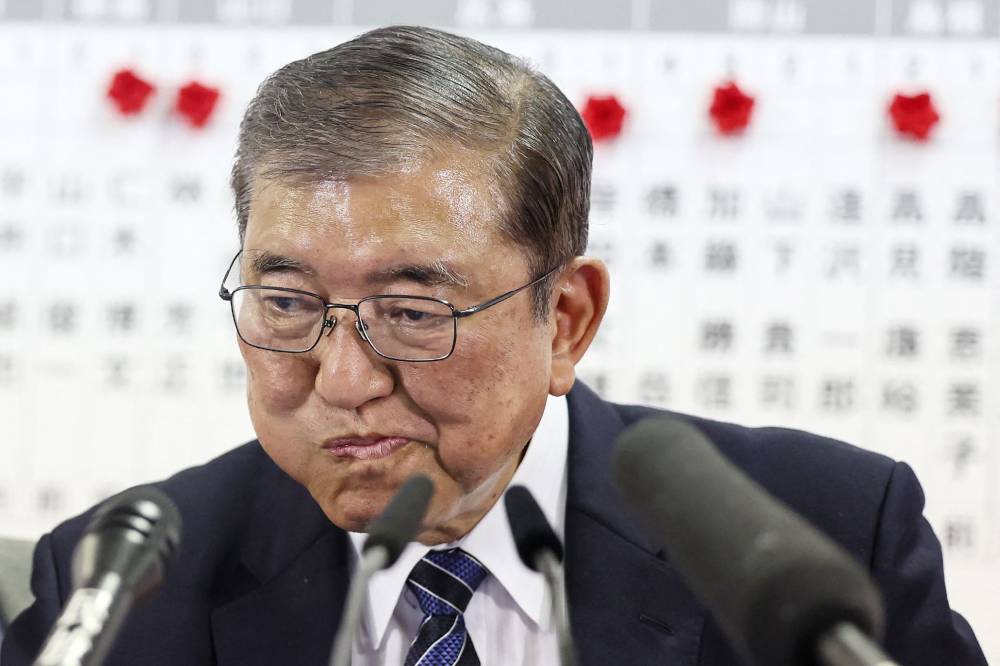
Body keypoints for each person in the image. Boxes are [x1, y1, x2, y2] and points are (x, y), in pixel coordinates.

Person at [1, 26, 986, 666]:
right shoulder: (115, 594)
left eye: (414, 313)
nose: (342, 380)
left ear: (565, 321)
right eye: (288, 301)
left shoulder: (825, 538)